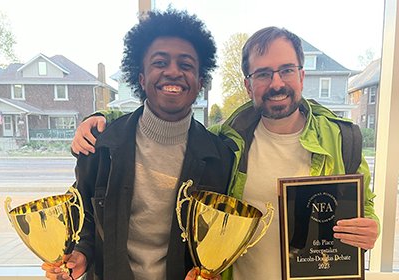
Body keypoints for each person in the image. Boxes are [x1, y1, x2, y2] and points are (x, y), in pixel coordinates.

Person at [71, 26, 379, 280]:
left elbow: (363, 207)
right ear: (248, 84)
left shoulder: (341, 140)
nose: (276, 83)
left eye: (286, 70)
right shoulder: (231, 143)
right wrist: (99, 119)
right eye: (263, 74)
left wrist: (370, 229)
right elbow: (83, 207)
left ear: (302, 76)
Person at [41, 9, 233, 280]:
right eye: (160, 62)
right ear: (141, 78)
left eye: (186, 65)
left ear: (200, 82)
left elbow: (217, 236)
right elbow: (83, 211)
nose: (173, 72)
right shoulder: (101, 144)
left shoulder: (219, 158)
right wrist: (81, 252)